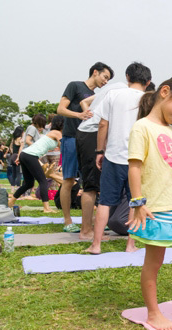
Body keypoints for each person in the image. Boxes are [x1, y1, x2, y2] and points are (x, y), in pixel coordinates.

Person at [126, 76, 172, 330]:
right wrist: (138, 202)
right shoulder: (142, 127)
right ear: (164, 92)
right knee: (153, 261)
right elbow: (134, 167)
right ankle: (153, 312)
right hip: (158, 207)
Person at [86, 62, 150, 254]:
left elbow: (103, 125)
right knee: (135, 202)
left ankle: (96, 245)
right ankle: (131, 245)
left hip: (113, 156)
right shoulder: (149, 100)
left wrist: (99, 151)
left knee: (105, 202)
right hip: (137, 159)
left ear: (127, 77)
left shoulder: (114, 94)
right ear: (148, 82)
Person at [56, 61, 114, 233]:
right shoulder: (75, 86)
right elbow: (60, 109)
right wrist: (79, 115)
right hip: (71, 137)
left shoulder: (96, 96)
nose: (105, 82)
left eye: (108, 80)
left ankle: (89, 222)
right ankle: (67, 221)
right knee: (69, 179)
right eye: (105, 77)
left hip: (87, 141)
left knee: (89, 183)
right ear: (95, 72)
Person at [76, 79, 128, 240]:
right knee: (91, 186)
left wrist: (88, 115)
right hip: (92, 132)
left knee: (94, 184)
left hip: (87, 131)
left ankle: (90, 227)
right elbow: (105, 123)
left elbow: (85, 101)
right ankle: (86, 231)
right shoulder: (124, 93)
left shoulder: (116, 87)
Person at [8, 116, 65, 213]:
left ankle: (10, 202)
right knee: (43, 181)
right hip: (30, 156)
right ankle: (46, 208)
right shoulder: (57, 133)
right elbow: (64, 146)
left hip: (25, 155)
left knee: (29, 183)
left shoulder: (52, 133)